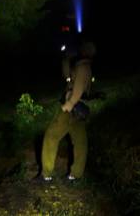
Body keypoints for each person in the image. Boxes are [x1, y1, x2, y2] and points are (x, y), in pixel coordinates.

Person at [40, 41, 96, 181]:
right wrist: (66, 60)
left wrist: (68, 105)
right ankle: (75, 175)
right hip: (79, 109)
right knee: (80, 142)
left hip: (72, 107)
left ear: (84, 51)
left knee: (51, 136)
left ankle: (47, 174)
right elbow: (67, 77)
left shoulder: (82, 67)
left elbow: (78, 88)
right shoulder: (82, 66)